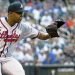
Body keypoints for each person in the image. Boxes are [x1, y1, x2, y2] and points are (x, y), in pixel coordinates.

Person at [0, 1, 64, 75]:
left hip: (7, 58)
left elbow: (42, 36)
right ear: (10, 13)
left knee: (20, 73)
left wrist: (51, 33)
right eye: (19, 13)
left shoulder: (23, 27)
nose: (21, 15)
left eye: (22, 13)